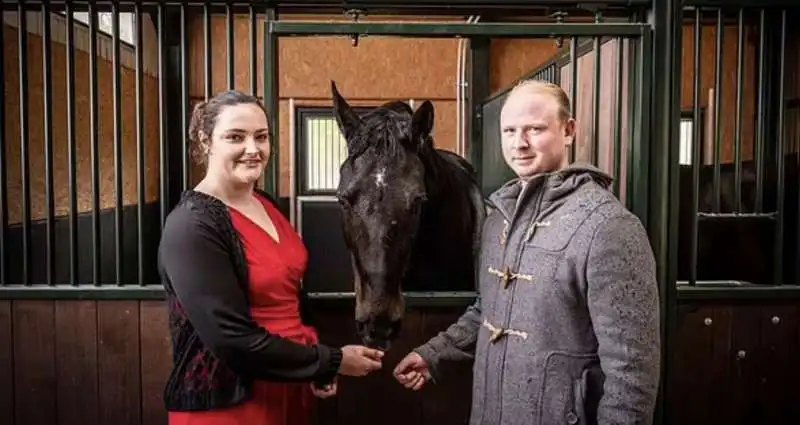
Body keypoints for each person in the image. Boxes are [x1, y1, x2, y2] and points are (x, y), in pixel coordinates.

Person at [393, 79, 661, 425]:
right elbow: (488, 312)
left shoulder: (608, 226)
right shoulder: (497, 220)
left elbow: (632, 371)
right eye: (509, 131)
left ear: (568, 130)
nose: (519, 144)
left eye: (535, 129)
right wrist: (434, 355)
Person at [158, 90, 384, 425]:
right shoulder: (191, 225)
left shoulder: (264, 203)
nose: (253, 149)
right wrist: (331, 361)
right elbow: (229, 339)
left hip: (289, 381)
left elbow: (290, 296)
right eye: (236, 137)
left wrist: (315, 366)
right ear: (206, 142)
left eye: (261, 137)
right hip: (232, 402)